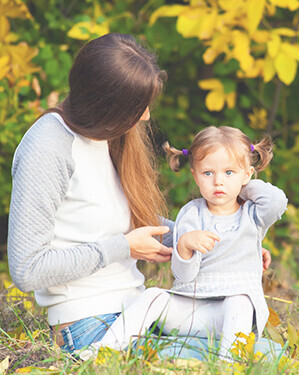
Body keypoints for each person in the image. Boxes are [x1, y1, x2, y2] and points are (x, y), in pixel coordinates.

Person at [7, 33, 174, 353]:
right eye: (139, 107)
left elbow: (126, 224)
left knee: (262, 350)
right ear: (107, 107)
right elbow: (27, 270)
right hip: (88, 324)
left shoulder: (106, 137)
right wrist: (122, 248)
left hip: (136, 310)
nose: (147, 116)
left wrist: (221, 235)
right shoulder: (47, 148)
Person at [87, 126, 288, 360]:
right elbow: (184, 276)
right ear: (195, 175)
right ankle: (103, 351)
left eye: (229, 172)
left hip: (230, 317)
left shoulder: (252, 215)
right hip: (190, 312)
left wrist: (244, 184)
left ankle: (228, 362)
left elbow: (277, 201)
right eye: (208, 173)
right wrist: (184, 246)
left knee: (241, 300)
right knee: (154, 296)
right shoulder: (191, 214)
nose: (218, 182)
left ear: (247, 174)